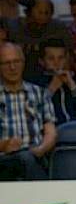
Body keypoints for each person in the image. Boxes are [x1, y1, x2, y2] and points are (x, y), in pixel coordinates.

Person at [0, 42, 56, 181]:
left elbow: (51, 133)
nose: (12, 67)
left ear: (23, 63)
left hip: (34, 156)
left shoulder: (39, 93)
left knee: (27, 158)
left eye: (16, 61)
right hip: (3, 159)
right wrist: (4, 145)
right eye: (6, 63)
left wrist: (40, 149)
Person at [26, 39, 76, 124]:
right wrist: (51, 88)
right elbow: (33, 111)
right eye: (51, 59)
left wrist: (72, 86)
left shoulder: (74, 79)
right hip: (52, 130)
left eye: (61, 58)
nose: (57, 63)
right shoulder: (35, 82)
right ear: (41, 61)